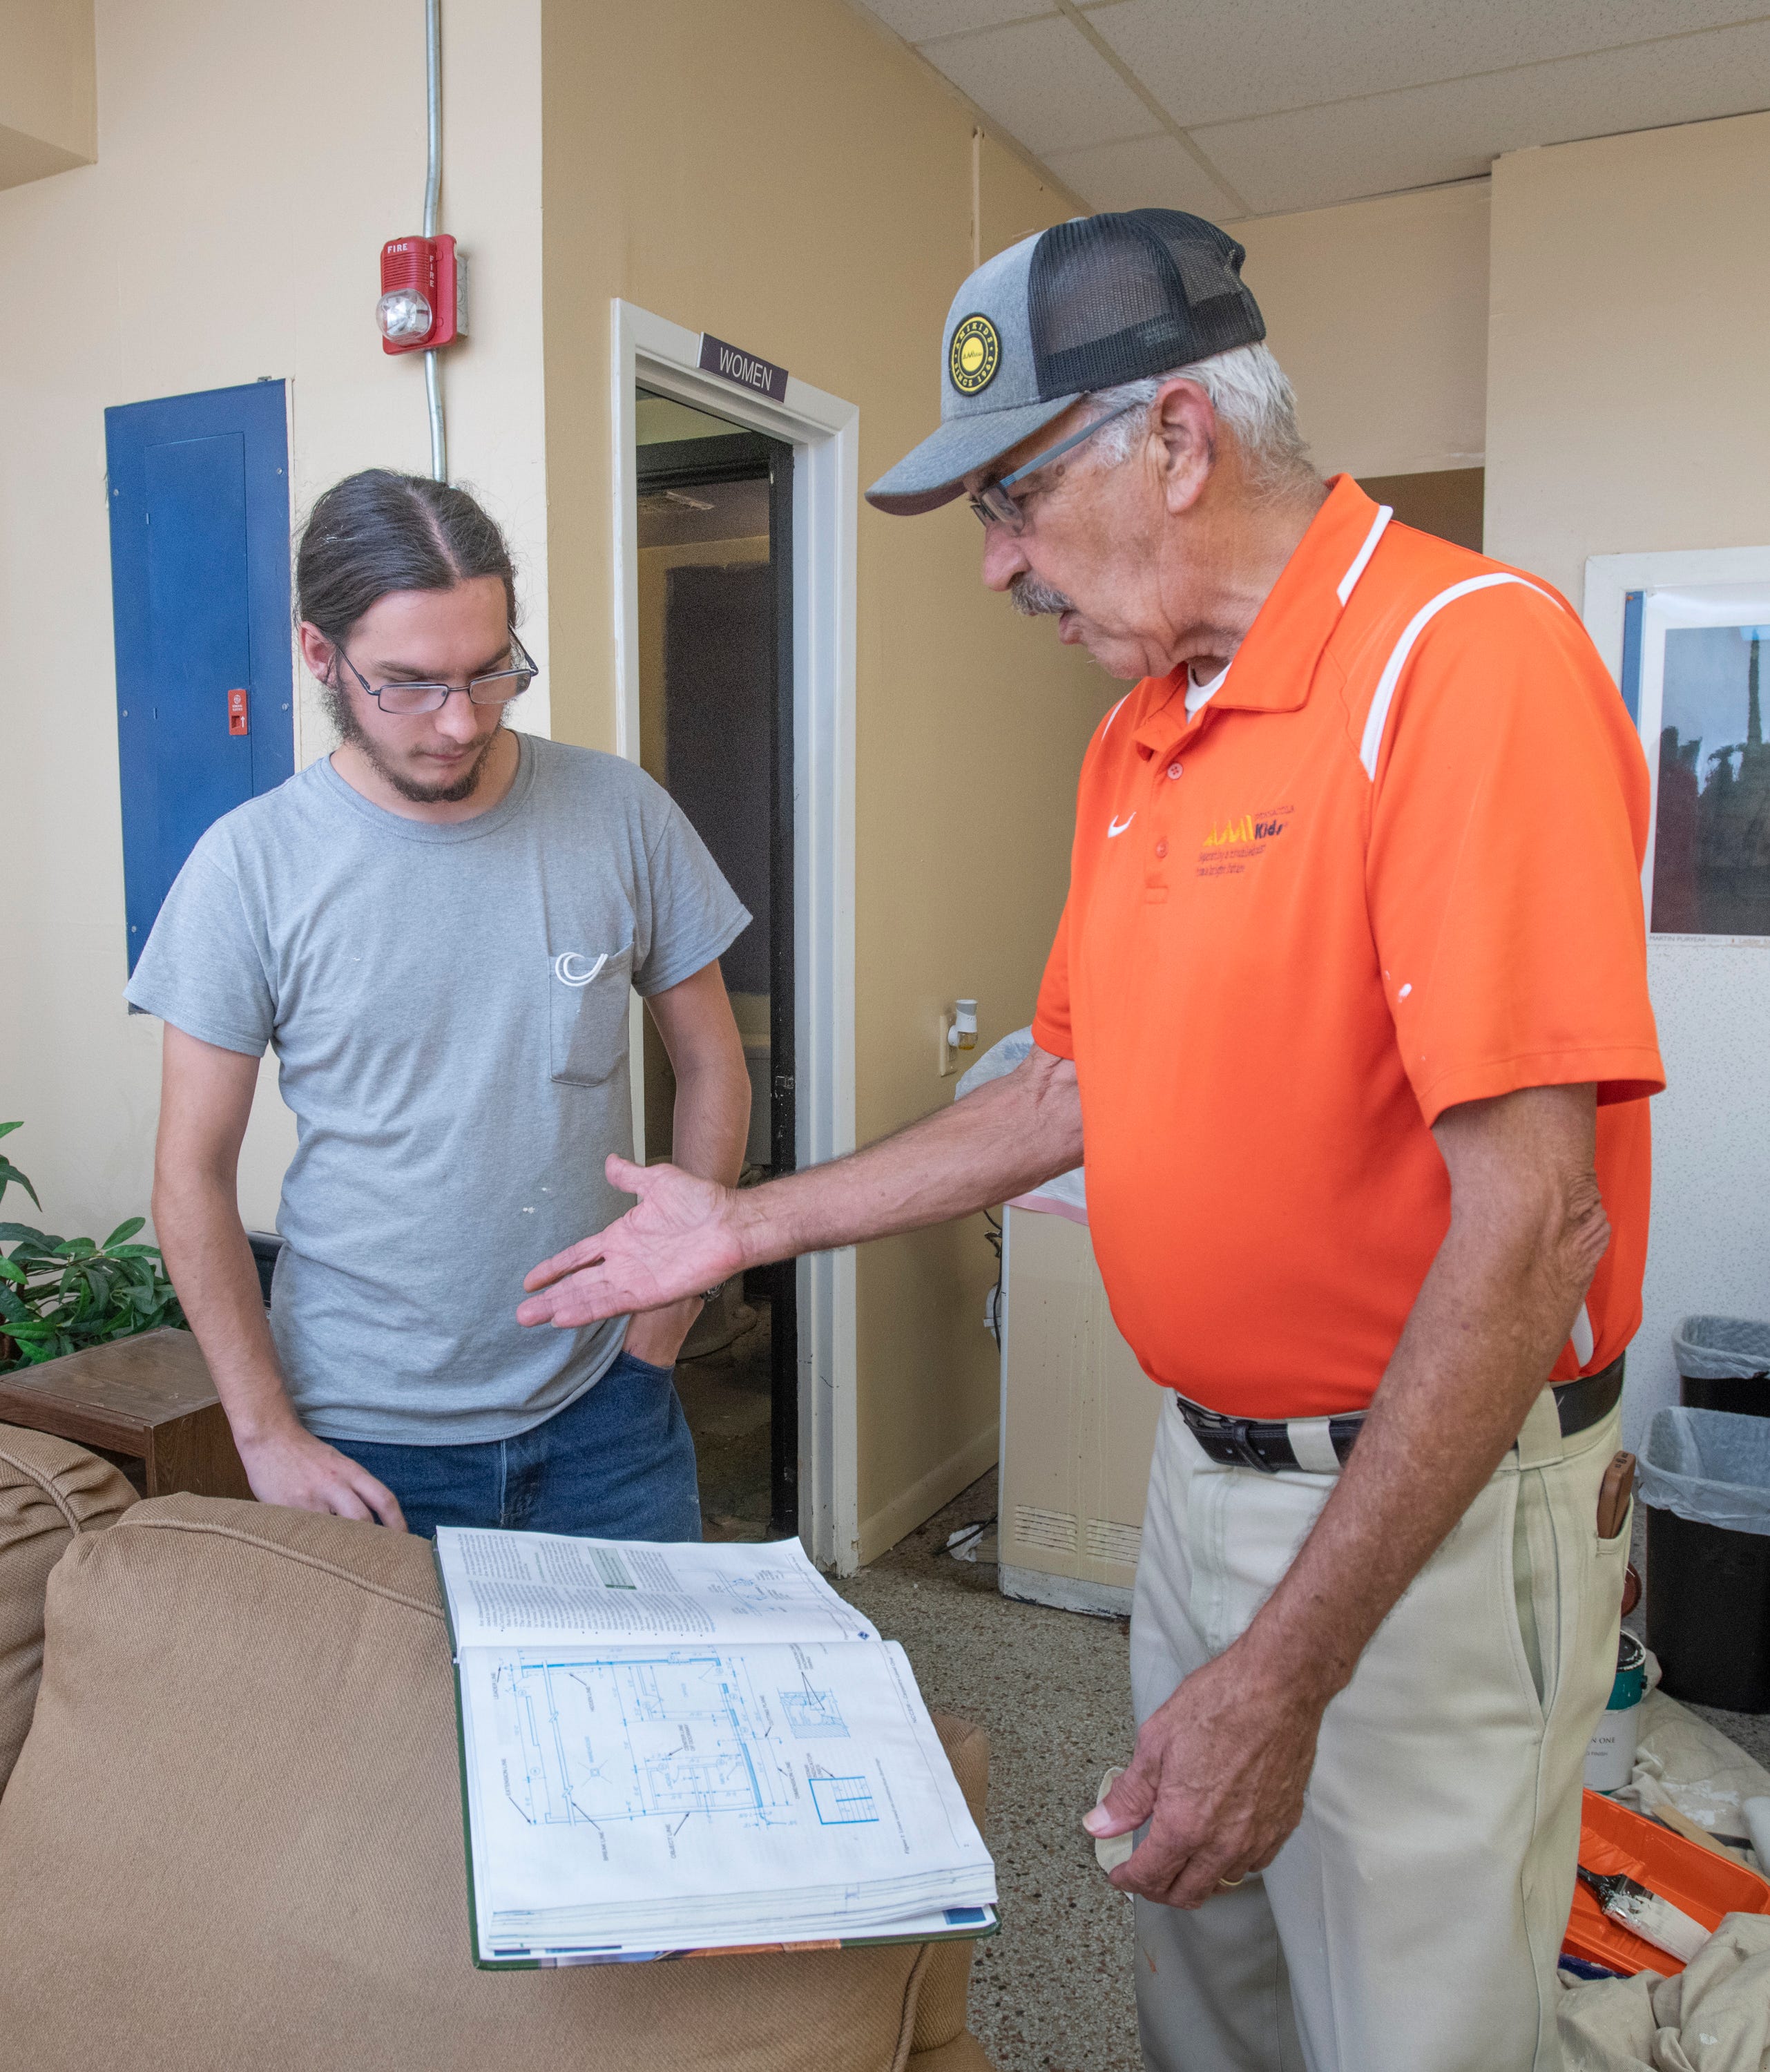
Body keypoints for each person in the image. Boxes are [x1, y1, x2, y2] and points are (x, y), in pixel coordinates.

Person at [513, 213, 1665, 2071]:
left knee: (1412, 2027)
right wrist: (742, 1225)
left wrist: (1283, 1674)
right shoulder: (1138, 740)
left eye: (1017, 501)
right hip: (1204, 1484)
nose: (994, 568)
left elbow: (1530, 1229)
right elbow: (1059, 1092)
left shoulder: (1464, 662)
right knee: (1202, 1990)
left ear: (1180, 442)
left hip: (1424, 1516)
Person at [131, 469, 751, 1541]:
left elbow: (710, 1063)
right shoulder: (248, 868)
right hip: (360, 1434)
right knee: (402, 1716)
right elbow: (189, 1175)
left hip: (609, 1408)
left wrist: (666, 1312)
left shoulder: (621, 812)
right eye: (410, 684)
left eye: (490, 671)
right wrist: (267, 1432)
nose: (461, 721)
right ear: (321, 656)